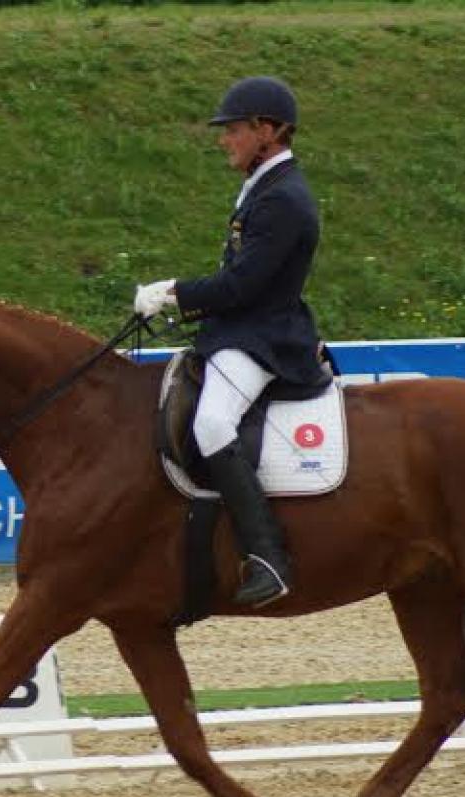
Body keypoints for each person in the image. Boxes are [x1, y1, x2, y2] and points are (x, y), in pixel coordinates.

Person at [134, 75, 324, 608]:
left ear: (268, 131)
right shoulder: (264, 187)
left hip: (265, 337)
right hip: (240, 329)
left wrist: (174, 293)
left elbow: (243, 285)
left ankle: (268, 555)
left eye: (235, 129)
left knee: (213, 421)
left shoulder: (283, 198)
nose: (225, 139)